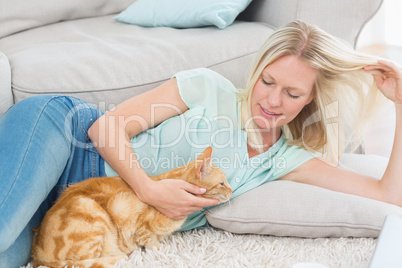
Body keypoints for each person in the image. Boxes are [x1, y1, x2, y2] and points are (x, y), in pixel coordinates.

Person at [0, 20, 401, 267]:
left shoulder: (284, 159)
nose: (273, 101)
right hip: (62, 141)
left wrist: (401, 105)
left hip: (87, 220)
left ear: (312, 98)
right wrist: (150, 189)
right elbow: (105, 127)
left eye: (293, 94)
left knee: (11, 257)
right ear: (257, 70)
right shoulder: (210, 88)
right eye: (267, 81)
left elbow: (388, 194)